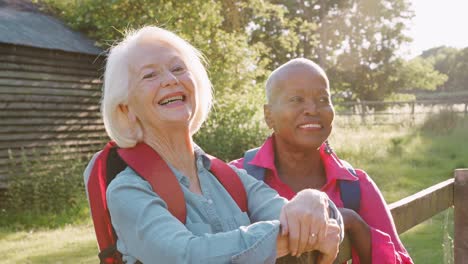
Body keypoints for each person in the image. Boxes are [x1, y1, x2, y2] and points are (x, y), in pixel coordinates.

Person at [83, 27, 344, 264]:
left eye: (177, 68)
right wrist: (294, 235)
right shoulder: (127, 191)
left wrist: (313, 199)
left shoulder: (229, 178)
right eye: (150, 75)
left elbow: (305, 216)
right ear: (126, 108)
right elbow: (185, 256)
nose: (170, 80)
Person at [231, 58, 414, 264]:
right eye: (296, 99)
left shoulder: (355, 186)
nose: (312, 109)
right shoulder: (233, 180)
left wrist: (353, 223)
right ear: (269, 115)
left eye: (323, 99)